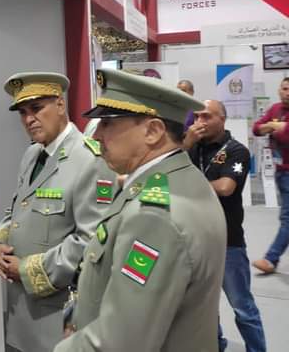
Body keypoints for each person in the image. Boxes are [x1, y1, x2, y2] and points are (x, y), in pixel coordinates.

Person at [56, 68, 226, 352]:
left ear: (153, 131)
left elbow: (121, 341)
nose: (96, 136)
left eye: (107, 124)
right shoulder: (180, 178)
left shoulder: (154, 217)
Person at [0, 72, 117, 352]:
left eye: (37, 108)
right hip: (19, 309)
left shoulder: (89, 159)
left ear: (60, 104)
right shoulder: (32, 155)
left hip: (58, 314)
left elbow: (92, 239)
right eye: (23, 113)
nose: (29, 119)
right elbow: (16, 209)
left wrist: (27, 270)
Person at [185, 99, 266, 352]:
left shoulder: (236, 151)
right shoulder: (191, 148)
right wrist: (186, 143)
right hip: (196, 240)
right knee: (204, 307)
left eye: (207, 116)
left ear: (222, 119)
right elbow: (166, 169)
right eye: (197, 116)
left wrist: (188, 186)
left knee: (243, 307)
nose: (200, 122)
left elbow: (225, 187)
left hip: (228, 242)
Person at [252, 76, 289, 274]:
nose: (287, 92)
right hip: (281, 172)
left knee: (287, 218)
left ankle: (271, 258)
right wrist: (275, 126)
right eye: (284, 88)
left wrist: (273, 128)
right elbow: (256, 128)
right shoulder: (275, 109)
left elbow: (286, 135)